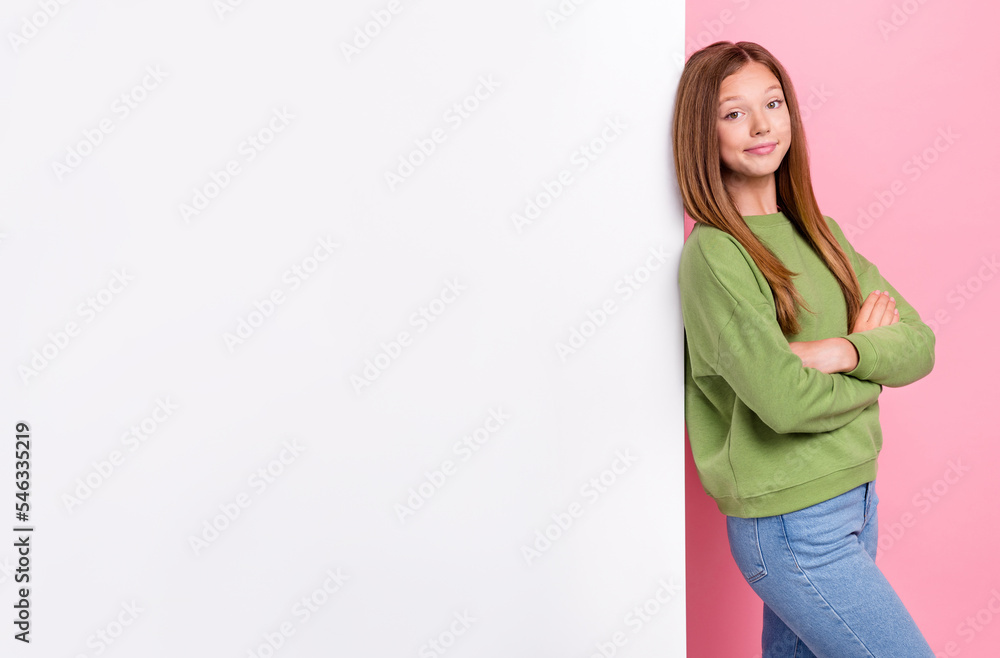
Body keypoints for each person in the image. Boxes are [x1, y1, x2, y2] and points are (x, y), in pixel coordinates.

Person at [673, 41, 936, 657]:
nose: (762, 125)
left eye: (773, 103)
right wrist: (874, 360)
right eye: (732, 112)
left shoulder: (818, 232)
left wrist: (841, 351)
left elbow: (919, 345)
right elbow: (784, 403)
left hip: (857, 501)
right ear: (700, 133)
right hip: (794, 525)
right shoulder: (717, 254)